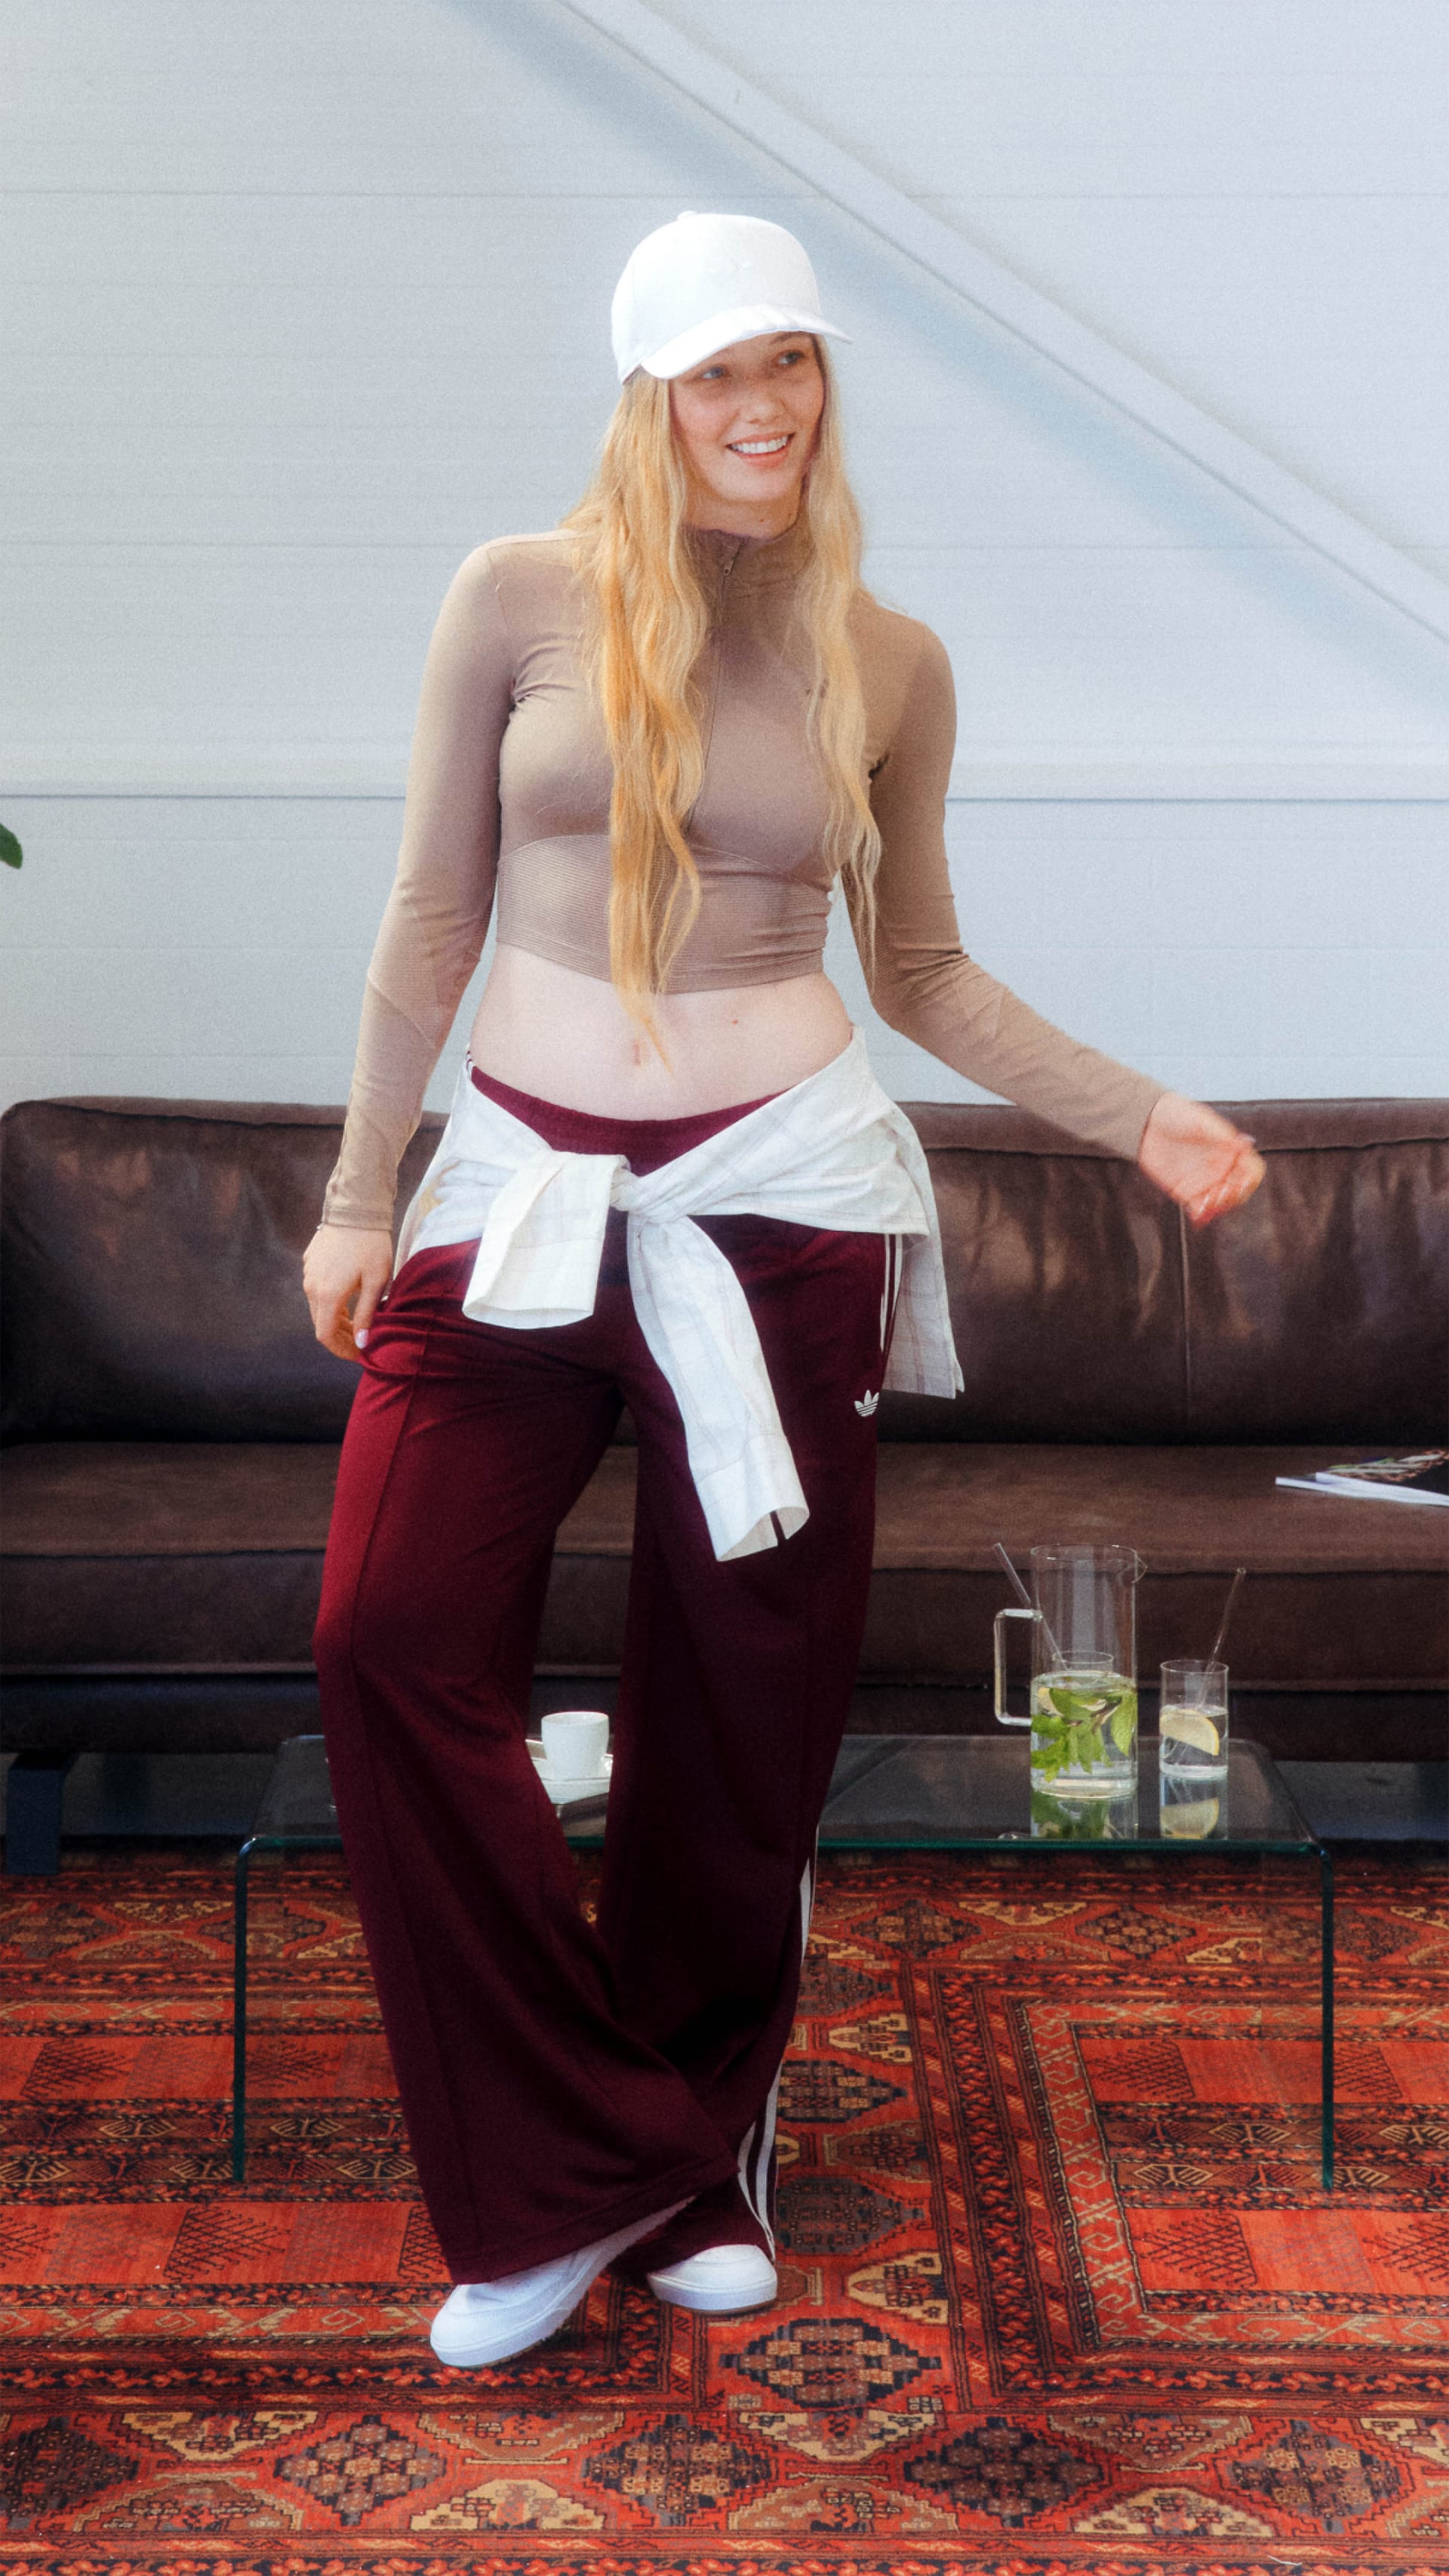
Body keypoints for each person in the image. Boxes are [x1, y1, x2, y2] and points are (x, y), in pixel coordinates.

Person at [304, 211, 1263, 2371]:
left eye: (795, 367)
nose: (765, 410)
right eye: (720, 374)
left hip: (789, 1197)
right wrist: (366, 1191)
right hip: (530, 1187)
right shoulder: (516, 600)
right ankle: (586, 2161)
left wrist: (1135, 1113)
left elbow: (915, 966)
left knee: (740, 1710)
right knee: (383, 1633)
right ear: (649, 394)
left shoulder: (887, 654)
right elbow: (429, 908)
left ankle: (692, 2158)